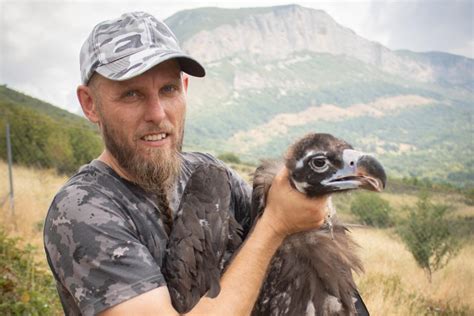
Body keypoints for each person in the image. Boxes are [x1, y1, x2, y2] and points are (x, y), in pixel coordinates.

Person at [44, 11, 329, 315]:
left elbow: (291, 238)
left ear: (185, 89)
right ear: (90, 104)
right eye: (131, 94)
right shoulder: (83, 209)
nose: (157, 113)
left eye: (168, 89)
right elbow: (273, 225)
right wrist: (274, 226)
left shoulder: (208, 173)